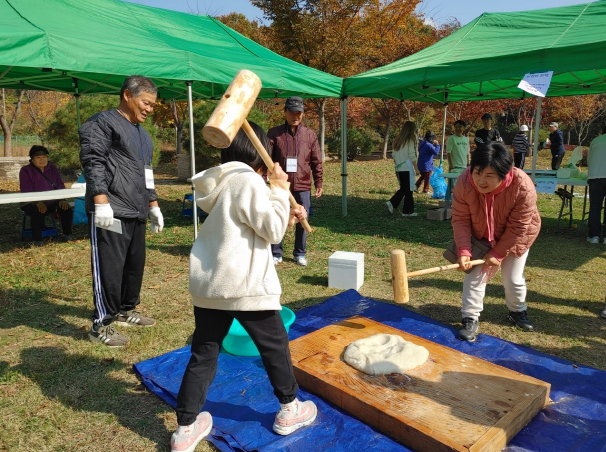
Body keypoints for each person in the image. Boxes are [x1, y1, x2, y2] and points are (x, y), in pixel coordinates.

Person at [171, 123, 316, 452]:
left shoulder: (223, 182)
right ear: (258, 154)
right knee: (275, 348)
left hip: (212, 285)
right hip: (245, 285)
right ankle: (290, 409)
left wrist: (285, 211)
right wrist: (280, 189)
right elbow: (273, 231)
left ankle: (185, 429)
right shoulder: (248, 180)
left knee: (204, 354)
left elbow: (256, 226)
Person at [79, 75, 164, 348]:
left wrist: (153, 205)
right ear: (127, 95)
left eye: (153, 104)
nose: (150, 109)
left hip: (136, 210)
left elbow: (147, 174)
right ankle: (101, 323)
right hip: (111, 210)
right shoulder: (102, 123)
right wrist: (101, 201)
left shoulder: (142, 134)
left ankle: (126, 309)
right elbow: (93, 162)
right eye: (146, 102)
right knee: (110, 268)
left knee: (133, 265)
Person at [451, 142, 541, 342]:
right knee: (475, 275)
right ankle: (470, 318)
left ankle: (517, 310)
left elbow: (518, 227)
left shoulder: (523, 186)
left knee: (512, 278)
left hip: (518, 236)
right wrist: (464, 250)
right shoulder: (465, 181)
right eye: (477, 173)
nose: (480, 181)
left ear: (504, 173)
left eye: (489, 176)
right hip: (481, 234)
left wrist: (498, 253)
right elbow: (460, 219)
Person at [269, 96, 323, 267]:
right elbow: (266, 160)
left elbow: (316, 161)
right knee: (278, 216)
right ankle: (276, 252)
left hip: (302, 185)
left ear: (303, 114)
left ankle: (300, 253)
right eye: (292, 112)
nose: (295, 116)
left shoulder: (310, 135)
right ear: (285, 112)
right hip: (280, 185)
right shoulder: (274, 133)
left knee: (302, 217)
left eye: (299, 113)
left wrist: (318, 182)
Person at [19, 145, 74, 245]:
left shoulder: (52, 168)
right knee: (37, 211)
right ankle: (37, 240)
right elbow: (26, 189)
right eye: (38, 158)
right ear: (32, 159)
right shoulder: (25, 170)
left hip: (51, 201)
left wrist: (62, 199)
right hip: (30, 201)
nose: (42, 160)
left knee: (66, 208)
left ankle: (67, 234)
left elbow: (60, 184)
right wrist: (37, 202)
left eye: (44, 157)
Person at [386, 121, 419, 217]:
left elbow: (394, 155)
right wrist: (416, 168)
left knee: (404, 189)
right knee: (409, 189)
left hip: (399, 168)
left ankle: (397, 205)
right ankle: (407, 211)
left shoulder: (397, 140)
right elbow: (412, 155)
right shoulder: (409, 141)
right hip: (407, 167)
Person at [586, 126, 606, 245]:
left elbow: (589, 160)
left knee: (595, 208)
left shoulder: (596, 141)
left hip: (595, 177)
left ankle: (594, 236)